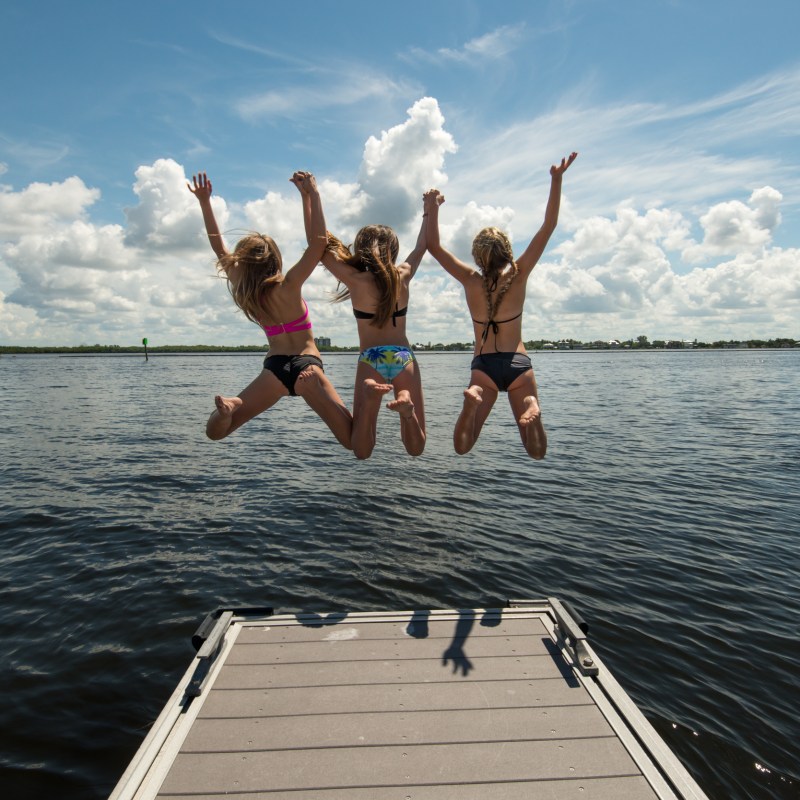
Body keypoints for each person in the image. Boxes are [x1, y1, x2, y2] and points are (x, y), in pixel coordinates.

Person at [424, 152, 578, 459]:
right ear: (507, 252)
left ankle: (474, 399)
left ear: (477, 256)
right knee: (536, 451)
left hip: (484, 368)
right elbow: (548, 226)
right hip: (518, 365)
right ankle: (531, 407)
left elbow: (433, 246)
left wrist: (431, 208)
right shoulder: (518, 277)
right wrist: (556, 180)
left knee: (462, 445)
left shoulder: (469, 281)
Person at [187, 170, 352, 447]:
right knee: (350, 440)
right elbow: (318, 243)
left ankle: (230, 407)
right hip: (306, 365)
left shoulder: (248, 292)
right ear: (275, 259)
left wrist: (204, 202)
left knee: (215, 432)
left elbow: (218, 247)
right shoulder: (289, 286)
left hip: (273, 369)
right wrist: (311, 195)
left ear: (244, 263)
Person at [320, 207, 428, 459]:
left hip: (371, 358)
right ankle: (406, 409)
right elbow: (423, 245)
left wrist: (310, 197)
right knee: (416, 448)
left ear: (361, 249)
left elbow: (319, 246)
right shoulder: (403, 274)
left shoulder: (355, 280)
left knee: (361, 451)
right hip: (403, 356)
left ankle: (370, 400)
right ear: (395, 250)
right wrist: (429, 210)